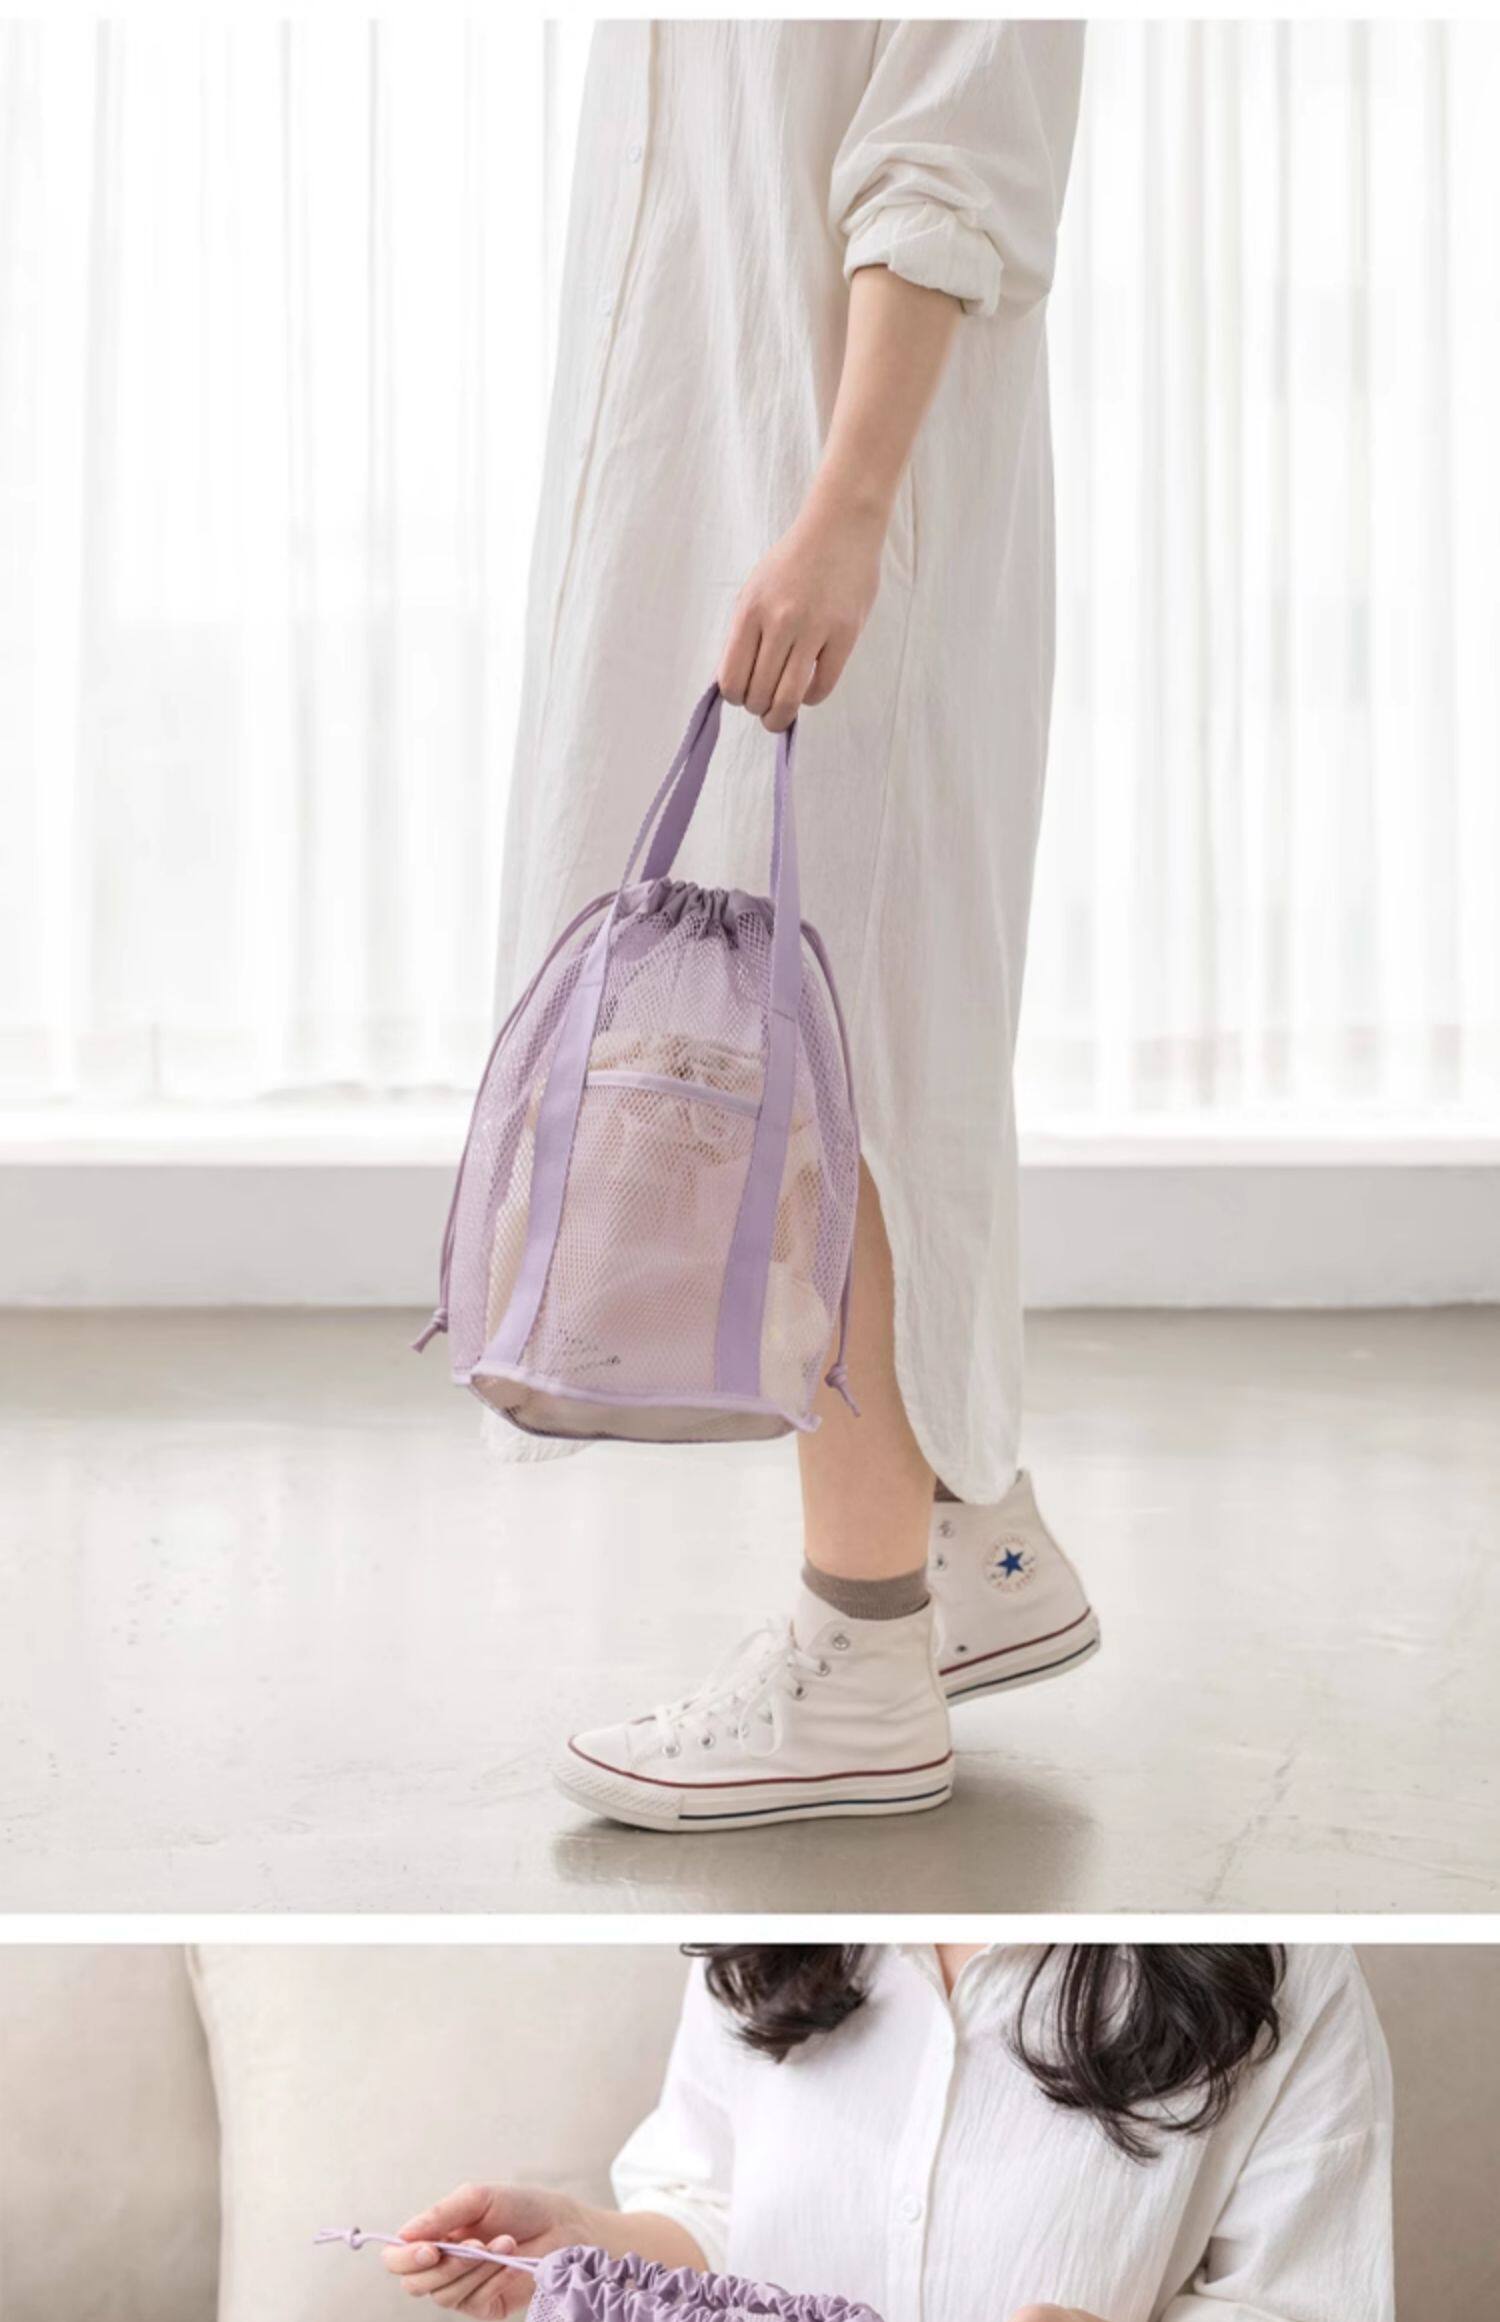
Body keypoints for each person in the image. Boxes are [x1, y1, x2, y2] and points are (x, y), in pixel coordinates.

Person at [496, 25, 1097, 1829]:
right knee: (816, 1006)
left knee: (847, 1044)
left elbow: (953, 165)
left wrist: (845, 513)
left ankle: (864, 1650)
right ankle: (971, 1538)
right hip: (704, 469)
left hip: (843, 501)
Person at [380, 1943, 1394, 2321]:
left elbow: (1305, 2299)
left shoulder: (1276, 1972)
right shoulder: (772, 1933)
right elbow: (719, 2209)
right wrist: (585, 2247)